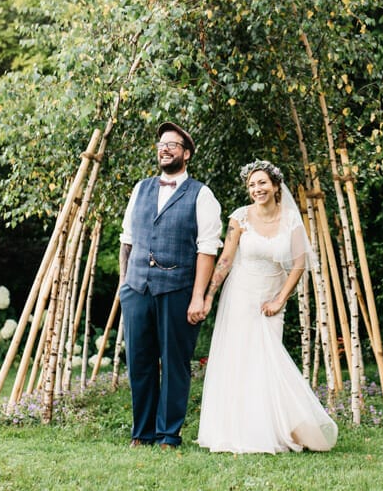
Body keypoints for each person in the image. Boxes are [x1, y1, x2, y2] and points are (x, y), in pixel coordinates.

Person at [196, 159, 338, 454]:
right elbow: (225, 261)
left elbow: (299, 264)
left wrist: (279, 300)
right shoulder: (240, 218)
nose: (256, 189)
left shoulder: (291, 220)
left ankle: (274, 428)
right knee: (241, 362)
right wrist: (209, 295)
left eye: (262, 183)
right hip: (241, 296)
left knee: (269, 362)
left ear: (275, 186)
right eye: (251, 185)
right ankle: (239, 432)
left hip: (272, 296)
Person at [118, 122, 223, 449]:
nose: (165, 149)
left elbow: (207, 250)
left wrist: (198, 297)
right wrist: (124, 286)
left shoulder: (202, 195)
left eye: (173, 145)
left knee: (175, 364)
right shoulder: (141, 189)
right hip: (137, 290)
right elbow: (127, 240)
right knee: (139, 363)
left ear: (186, 154)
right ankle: (142, 433)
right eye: (162, 144)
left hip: (177, 291)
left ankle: (168, 434)